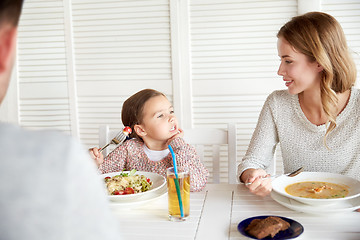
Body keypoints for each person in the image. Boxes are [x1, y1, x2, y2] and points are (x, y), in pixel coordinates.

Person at [0, 1, 122, 239]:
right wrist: (91, 167)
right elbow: (110, 175)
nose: (171, 118)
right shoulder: (56, 159)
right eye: (161, 114)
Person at [237, 12, 360, 197]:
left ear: (319, 61)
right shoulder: (278, 104)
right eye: (281, 60)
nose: (280, 71)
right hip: (294, 215)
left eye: (288, 61)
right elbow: (252, 162)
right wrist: (252, 175)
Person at [89, 89, 209, 192]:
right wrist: (95, 164)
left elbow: (195, 184)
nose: (172, 117)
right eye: (160, 115)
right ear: (141, 130)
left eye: (171, 111)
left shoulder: (183, 150)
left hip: (172, 208)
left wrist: (177, 144)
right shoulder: (129, 149)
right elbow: (103, 179)